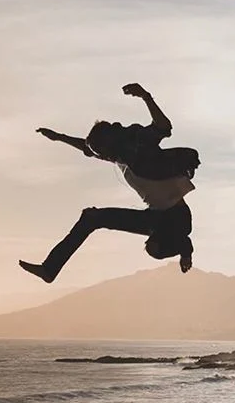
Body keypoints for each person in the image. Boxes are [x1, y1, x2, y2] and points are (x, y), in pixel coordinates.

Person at [19, 83, 199, 283]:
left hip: (177, 220)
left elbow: (164, 127)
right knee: (92, 217)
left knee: (153, 249)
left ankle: (185, 245)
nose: (105, 158)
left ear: (111, 145)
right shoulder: (118, 156)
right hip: (155, 218)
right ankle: (49, 269)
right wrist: (59, 137)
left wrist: (146, 97)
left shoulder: (140, 147)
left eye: (104, 153)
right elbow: (86, 149)